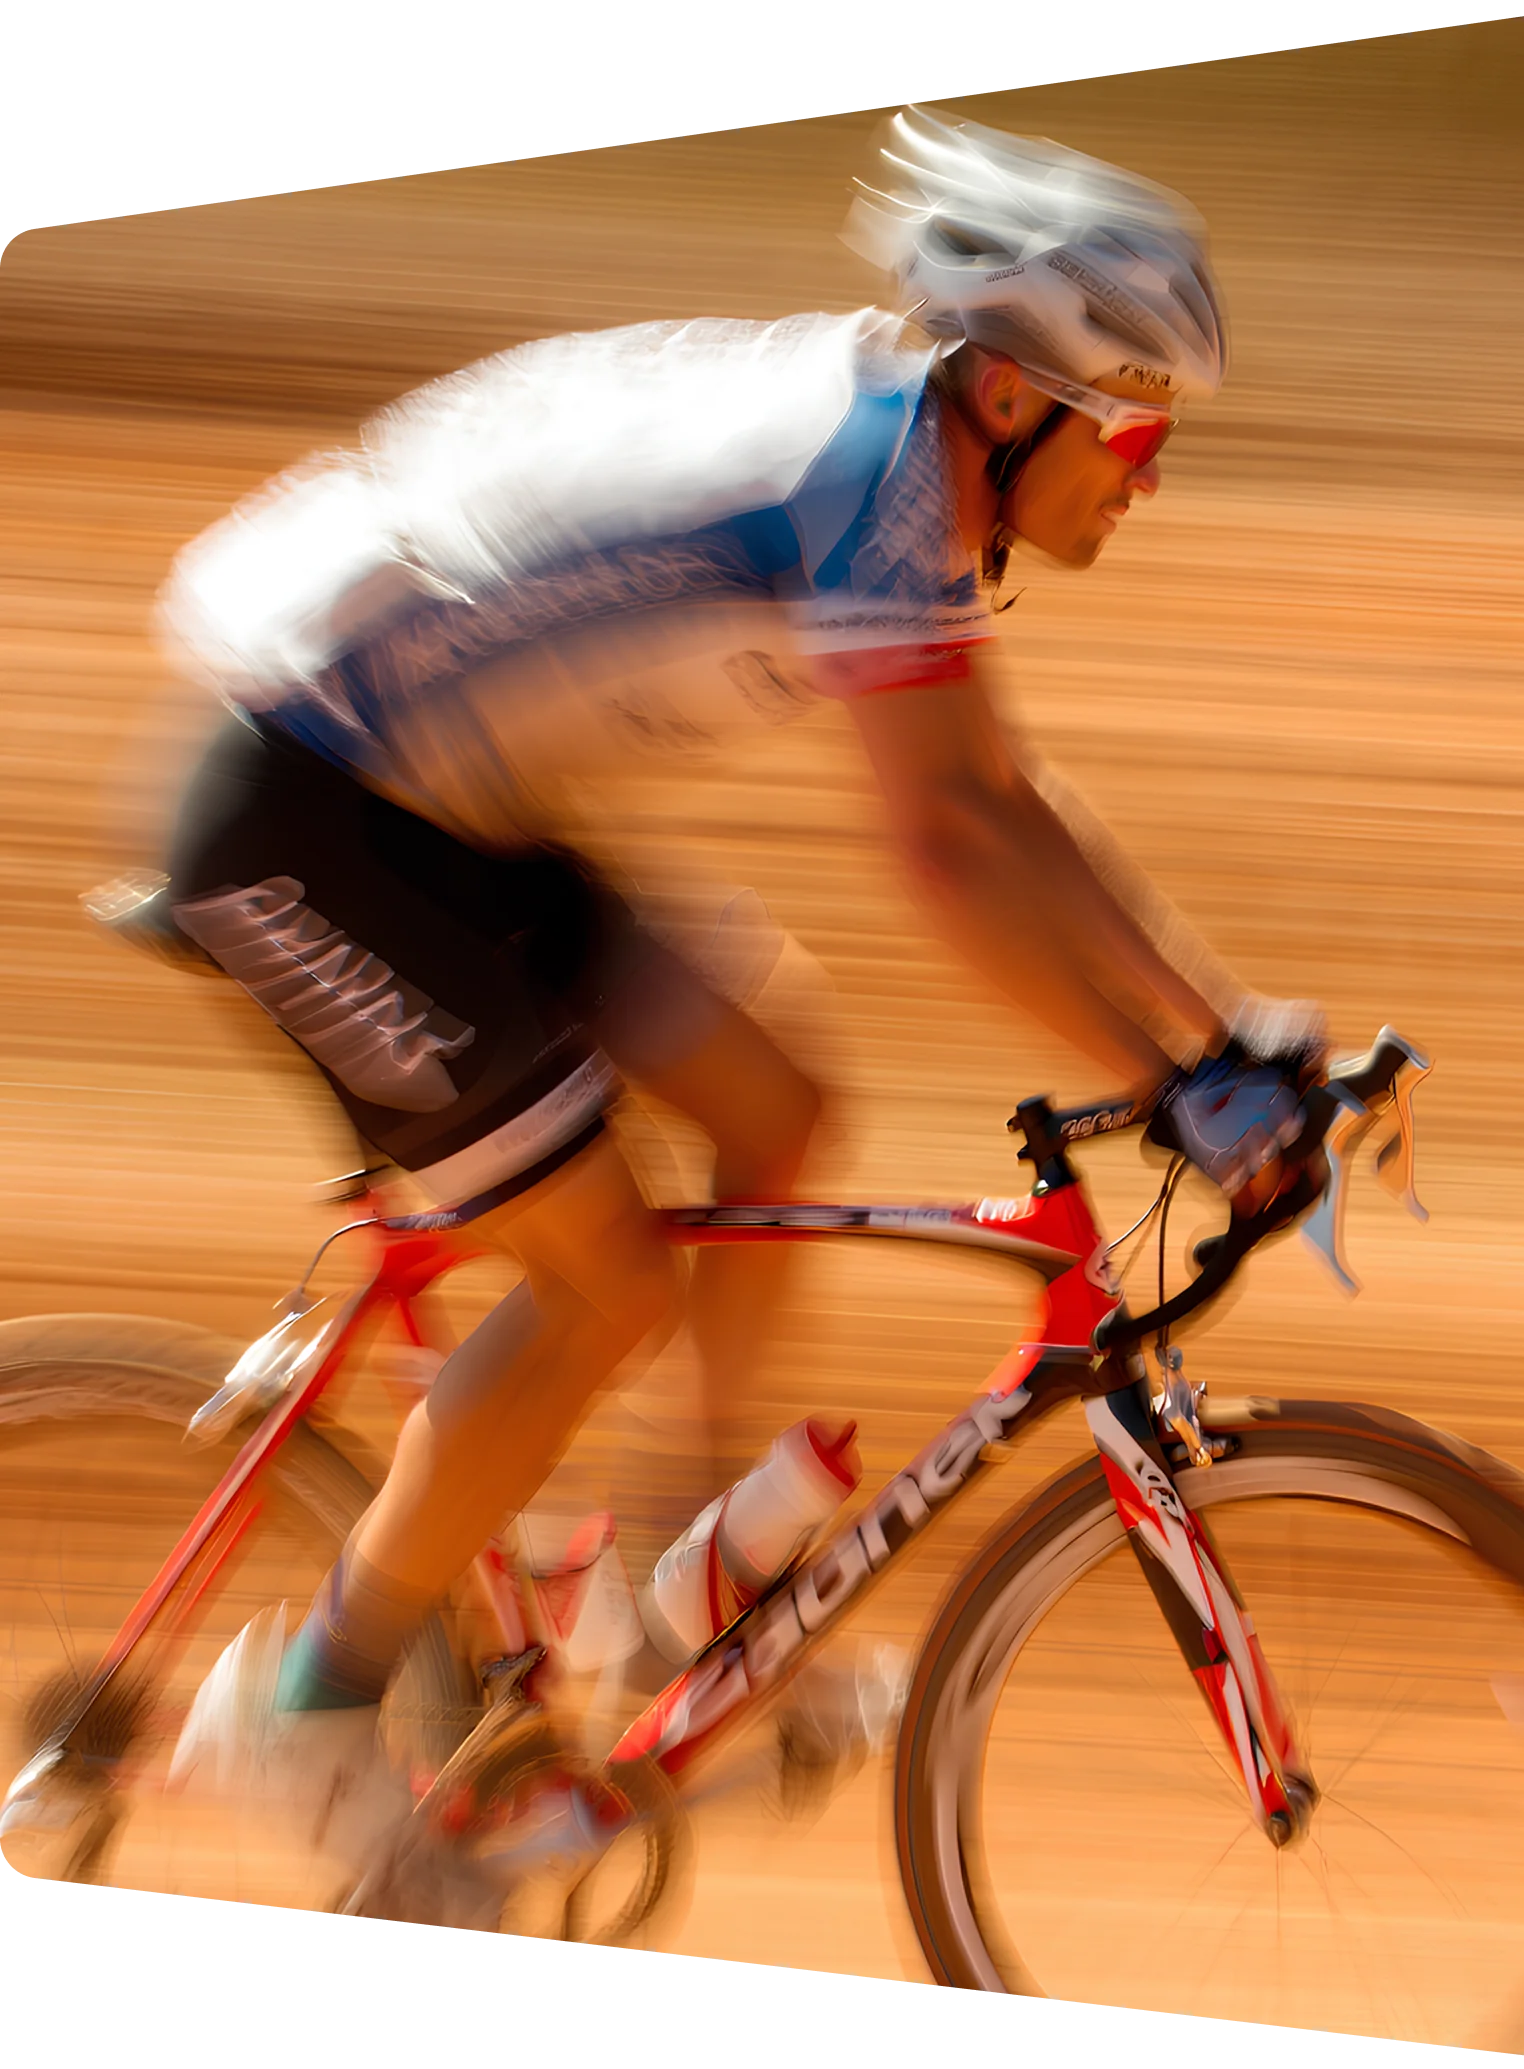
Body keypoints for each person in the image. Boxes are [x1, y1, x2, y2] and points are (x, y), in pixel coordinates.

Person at [110, 106, 1329, 1912]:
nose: (1149, 476)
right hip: (303, 813)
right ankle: (298, 1713)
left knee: (776, 1093)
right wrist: (1184, 1069)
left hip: (437, 805)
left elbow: (1000, 802)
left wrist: (1223, 1038)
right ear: (1011, 398)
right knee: (605, 1271)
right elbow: (946, 852)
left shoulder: (894, 458)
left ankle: (667, 1605)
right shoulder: (873, 477)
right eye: (1138, 429)